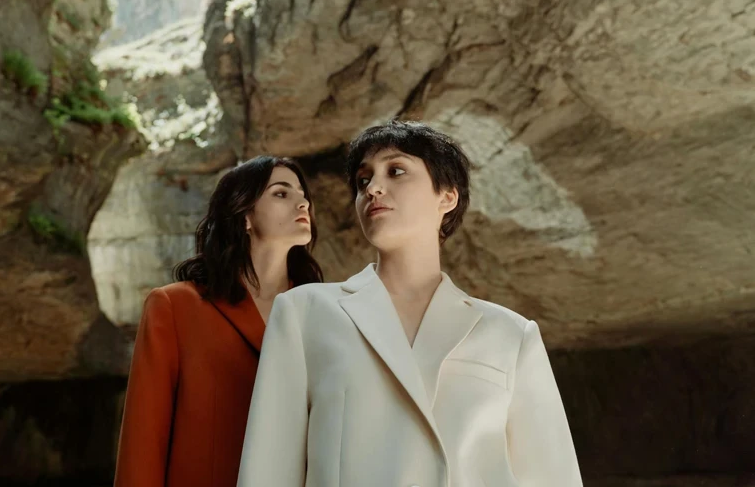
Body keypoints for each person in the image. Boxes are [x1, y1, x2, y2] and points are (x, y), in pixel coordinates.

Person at [237, 120, 582, 487]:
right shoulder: (303, 312)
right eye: (363, 180)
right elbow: (267, 469)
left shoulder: (511, 334)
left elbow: (552, 476)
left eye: (396, 170)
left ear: (447, 196)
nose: (373, 188)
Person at [114, 156, 324, 487]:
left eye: (302, 193)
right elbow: (144, 438)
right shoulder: (174, 306)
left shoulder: (322, 312)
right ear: (244, 215)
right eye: (281, 193)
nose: (303, 202)